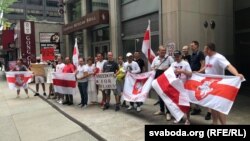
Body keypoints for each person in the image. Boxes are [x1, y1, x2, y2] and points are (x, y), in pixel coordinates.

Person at [198, 42, 244, 125]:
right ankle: (214, 122)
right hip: (209, 84)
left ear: (209, 49)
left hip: (219, 85)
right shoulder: (207, 57)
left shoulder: (219, 57)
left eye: (204, 49)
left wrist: (236, 74)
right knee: (212, 105)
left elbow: (228, 66)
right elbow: (206, 66)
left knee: (219, 107)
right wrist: (199, 72)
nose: (203, 50)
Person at [151, 45, 174, 121]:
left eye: (164, 51)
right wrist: (154, 68)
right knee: (160, 94)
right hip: (158, 78)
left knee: (166, 95)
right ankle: (161, 110)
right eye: (162, 51)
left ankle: (168, 112)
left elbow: (173, 67)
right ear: (159, 51)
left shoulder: (169, 58)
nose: (163, 52)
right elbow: (152, 67)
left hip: (166, 78)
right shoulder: (155, 59)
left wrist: (166, 68)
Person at [170, 50, 192, 125]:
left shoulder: (185, 63)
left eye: (178, 56)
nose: (176, 58)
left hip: (184, 86)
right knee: (177, 103)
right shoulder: (173, 64)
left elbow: (190, 74)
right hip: (176, 86)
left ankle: (188, 119)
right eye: (175, 56)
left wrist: (182, 71)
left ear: (181, 56)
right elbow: (170, 73)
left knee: (186, 103)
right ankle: (179, 117)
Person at [189, 41, 207, 117]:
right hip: (193, 76)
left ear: (197, 46)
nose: (191, 47)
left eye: (192, 45)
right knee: (194, 92)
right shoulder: (192, 54)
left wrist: (199, 73)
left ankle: (208, 112)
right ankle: (197, 108)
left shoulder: (200, 53)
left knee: (200, 93)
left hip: (198, 76)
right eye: (191, 45)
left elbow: (203, 65)